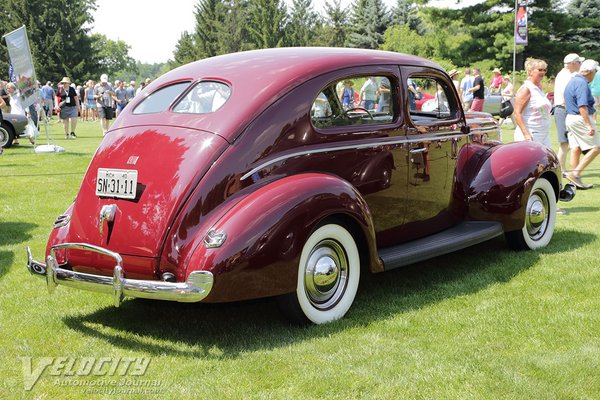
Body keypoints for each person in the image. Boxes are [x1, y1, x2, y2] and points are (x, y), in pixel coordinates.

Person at [564, 59, 600, 190]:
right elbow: (582, 105)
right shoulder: (582, 83)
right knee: (596, 147)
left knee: (576, 148)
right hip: (579, 118)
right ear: (590, 72)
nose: (595, 75)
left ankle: (575, 181)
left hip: (570, 118)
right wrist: (588, 125)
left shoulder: (573, 80)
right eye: (595, 72)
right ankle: (575, 174)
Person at [554, 53, 584, 174]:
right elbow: (568, 96)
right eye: (579, 62)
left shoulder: (567, 75)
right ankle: (560, 169)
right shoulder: (565, 76)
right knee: (565, 143)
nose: (580, 65)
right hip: (563, 110)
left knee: (569, 143)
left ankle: (564, 169)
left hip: (565, 110)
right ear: (573, 64)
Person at [513, 58, 552, 146]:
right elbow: (517, 113)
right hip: (531, 134)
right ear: (530, 71)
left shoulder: (538, 88)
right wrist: (526, 134)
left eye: (544, 70)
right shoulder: (526, 88)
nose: (543, 72)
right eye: (540, 70)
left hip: (544, 134)